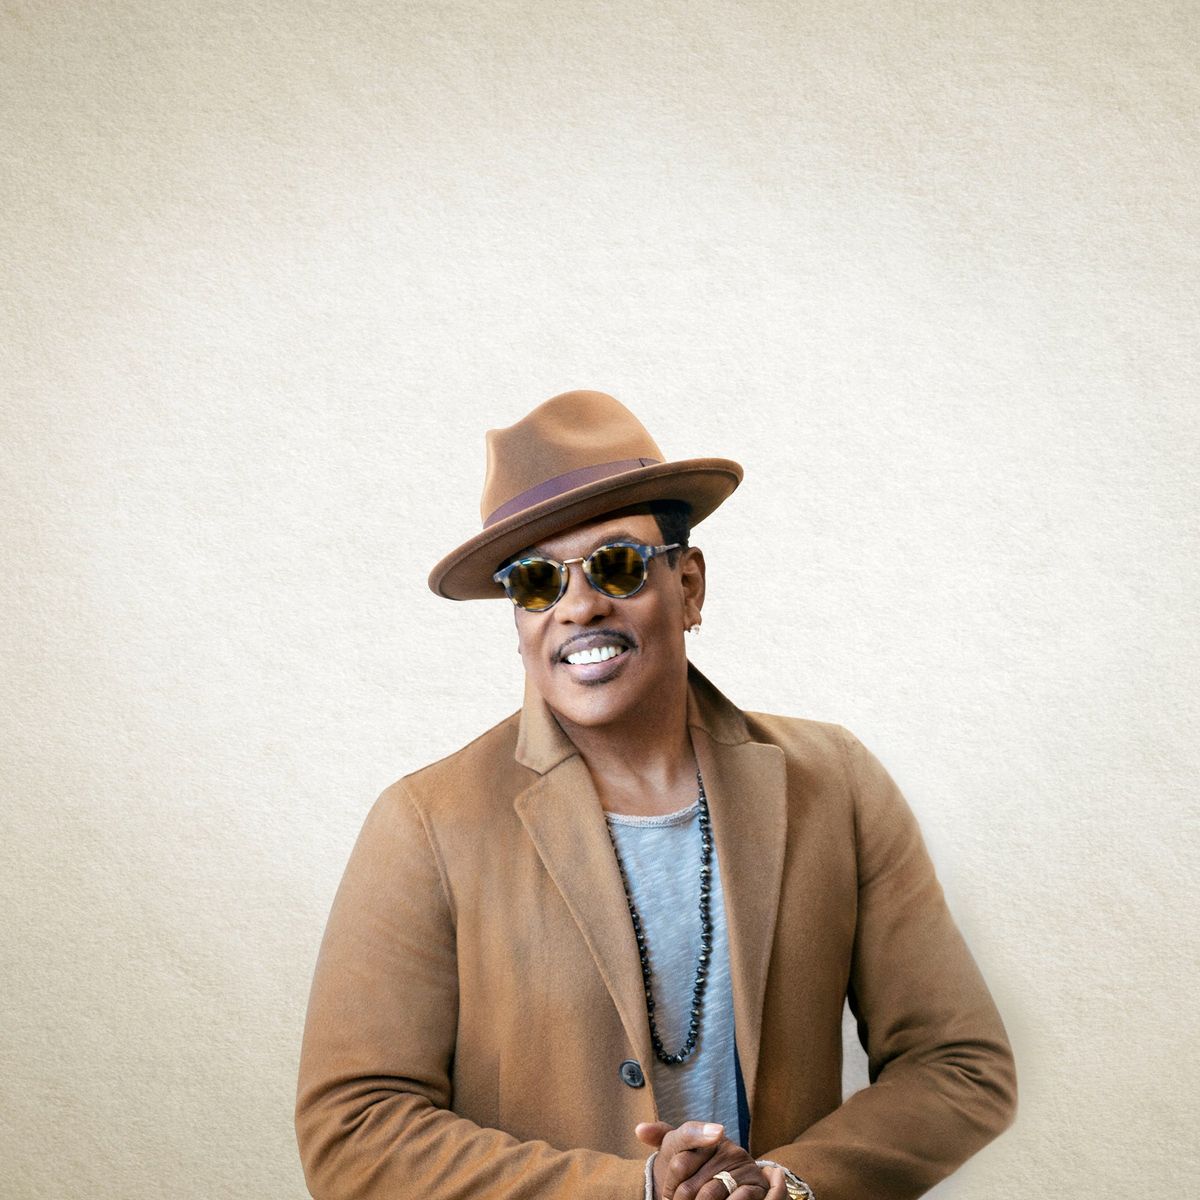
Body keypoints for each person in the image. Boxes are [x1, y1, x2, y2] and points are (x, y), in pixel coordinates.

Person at [296, 390, 1017, 1200]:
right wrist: (635, 1191)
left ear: (690, 585)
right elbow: (352, 1131)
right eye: (536, 580)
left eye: (617, 564)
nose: (579, 605)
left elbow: (961, 1065)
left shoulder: (835, 781)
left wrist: (792, 1184)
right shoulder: (425, 823)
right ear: (519, 618)